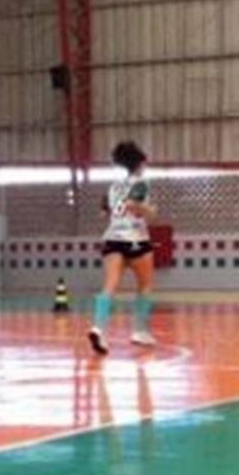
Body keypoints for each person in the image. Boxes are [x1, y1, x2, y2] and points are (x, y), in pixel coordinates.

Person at [88, 140, 158, 356]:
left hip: (112, 238)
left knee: (109, 286)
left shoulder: (114, 187)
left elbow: (106, 211)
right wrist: (150, 211)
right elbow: (137, 210)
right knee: (145, 285)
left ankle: (98, 328)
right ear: (139, 163)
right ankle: (140, 331)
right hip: (135, 238)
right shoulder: (141, 184)